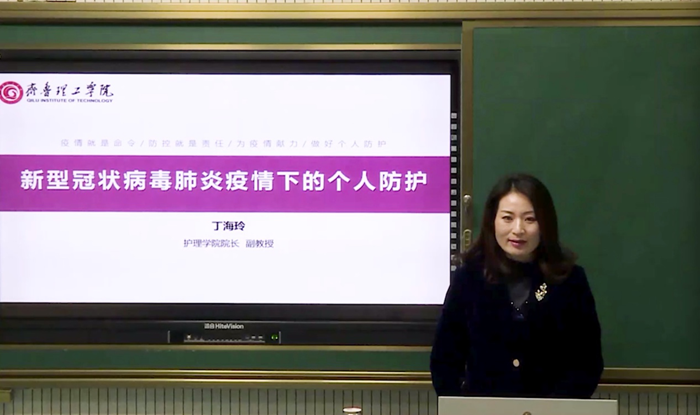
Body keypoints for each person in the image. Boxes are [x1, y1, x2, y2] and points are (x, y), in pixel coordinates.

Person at [430, 173, 603, 399]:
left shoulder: (570, 281)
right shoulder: (469, 278)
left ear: (545, 224)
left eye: (530, 219)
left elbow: (587, 363)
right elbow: (445, 360)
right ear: (492, 221)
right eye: (507, 218)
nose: (518, 229)